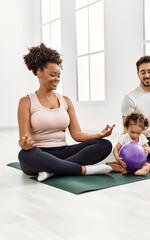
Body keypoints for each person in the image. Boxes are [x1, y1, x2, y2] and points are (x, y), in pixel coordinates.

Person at [17, 43, 115, 182]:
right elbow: (24, 139)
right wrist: (25, 144)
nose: (57, 78)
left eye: (58, 75)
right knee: (24, 155)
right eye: (52, 74)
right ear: (39, 74)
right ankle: (85, 170)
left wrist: (98, 135)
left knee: (104, 145)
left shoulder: (66, 101)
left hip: (64, 152)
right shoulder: (26, 102)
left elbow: (77, 134)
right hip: (40, 153)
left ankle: (52, 171)